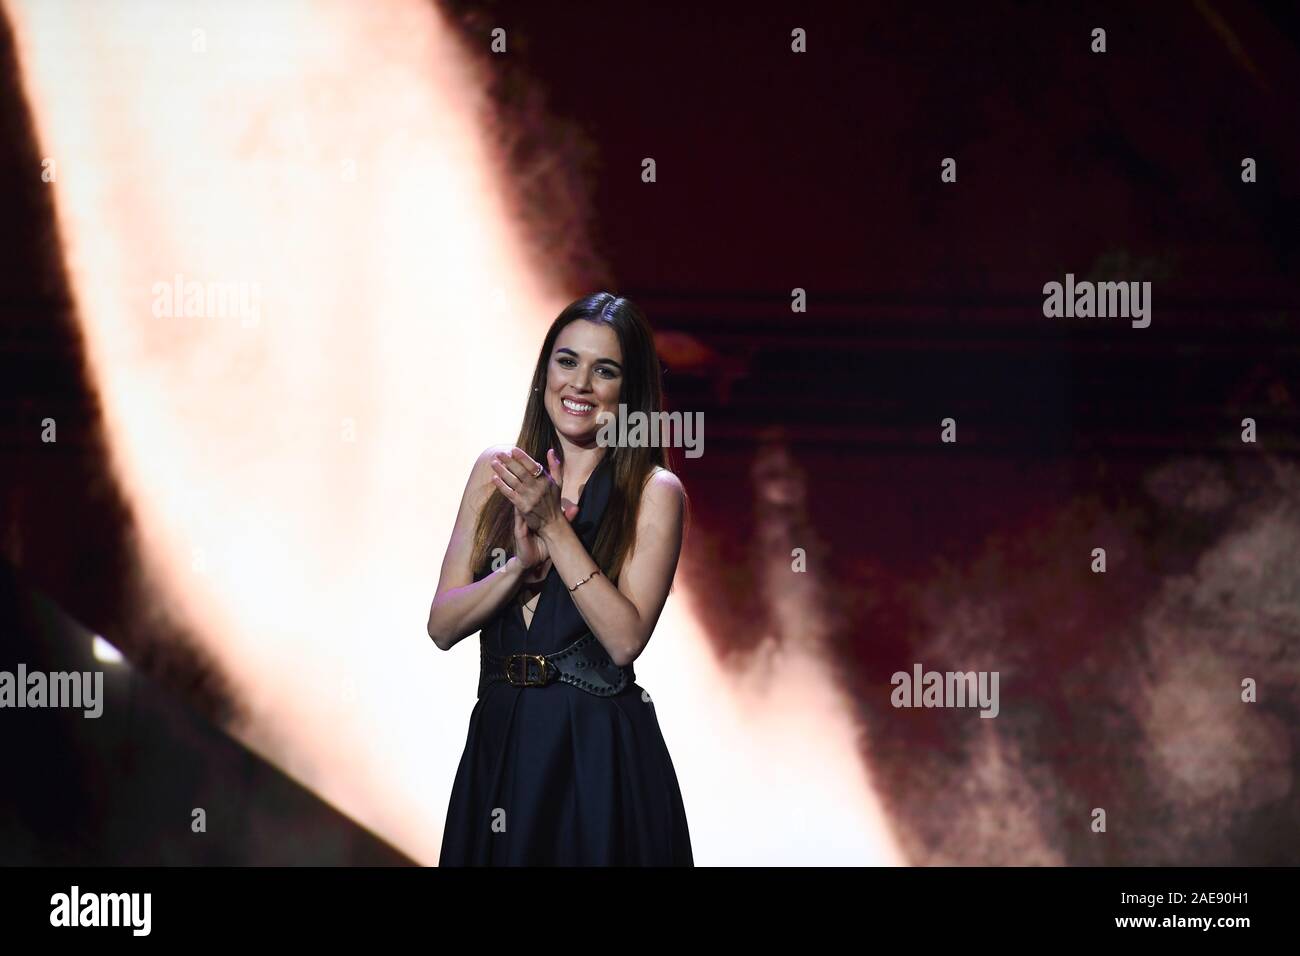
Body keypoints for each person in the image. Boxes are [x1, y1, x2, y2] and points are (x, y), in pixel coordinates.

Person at [428, 292, 694, 865]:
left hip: (596, 760)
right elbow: (443, 624)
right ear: (545, 369)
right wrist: (521, 568)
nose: (580, 384)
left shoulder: (653, 493)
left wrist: (554, 528)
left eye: (606, 370)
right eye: (567, 361)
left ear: (629, 392)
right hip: (501, 750)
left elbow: (624, 640)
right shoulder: (497, 471)